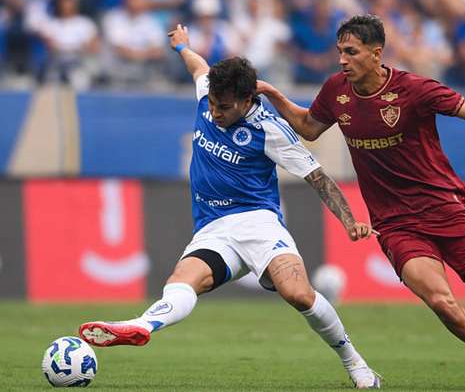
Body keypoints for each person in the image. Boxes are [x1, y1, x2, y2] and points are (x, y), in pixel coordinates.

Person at [259, 14, 465, 392]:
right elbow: (309, 127)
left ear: (376, 54)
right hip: (395, 224)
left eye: (351, 52)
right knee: (443, 303)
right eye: (340, 52)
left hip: (446, 208)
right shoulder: (336, 91)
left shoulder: (414, 89)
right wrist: (271, 92)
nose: (342, 60)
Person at [78, 24, 381, 389]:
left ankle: (355, 363)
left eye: (224, 107)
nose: (215, 112)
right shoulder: (209, 92)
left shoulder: (270, 130)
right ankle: (141, 325)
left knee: (298, 293)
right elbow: (197, 66)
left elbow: (318, 178)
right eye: (211, 104)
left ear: (247, 99)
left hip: (259, 224)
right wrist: (182, 47)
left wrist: (349, 221)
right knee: (181, 282)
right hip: (213, 228)